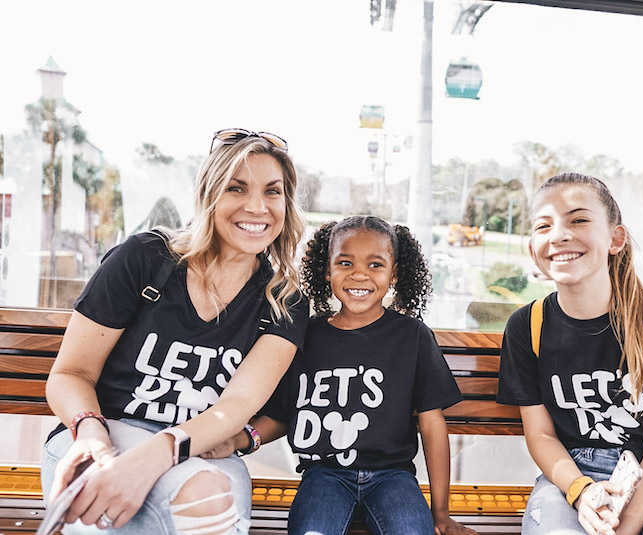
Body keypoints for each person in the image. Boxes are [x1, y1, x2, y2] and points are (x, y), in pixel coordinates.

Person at [41, 128, 310, 534]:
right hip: (104, 431)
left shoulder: (283, 300)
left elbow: (234, 406)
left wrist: (158, 454)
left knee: (204, 495)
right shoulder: (146, 260)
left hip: (202, 453)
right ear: (209, 195)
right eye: (237, 188)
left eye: (273, 192)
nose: (257, 206)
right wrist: (91, 435)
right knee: (108, 489)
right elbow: (71, 374)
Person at [206, 215, 477, 535]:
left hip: (393, 476)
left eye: (375, 264)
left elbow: (432, 424)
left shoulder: (412, 336)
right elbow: (282, 414)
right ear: (327, 270)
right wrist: (239, 440)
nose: (359, 274)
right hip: (324, 475)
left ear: (394, 274)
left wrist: (441, 513)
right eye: (345, 262)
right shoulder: (304, 336)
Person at [496, 172, 643, 535]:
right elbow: (541, 436)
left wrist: (628, 523)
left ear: (615, 238)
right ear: (532, 249)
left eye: (579, 220)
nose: (559, 235)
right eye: (544, 226)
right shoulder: (527, 326)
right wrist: (580, 491)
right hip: (570, 474)